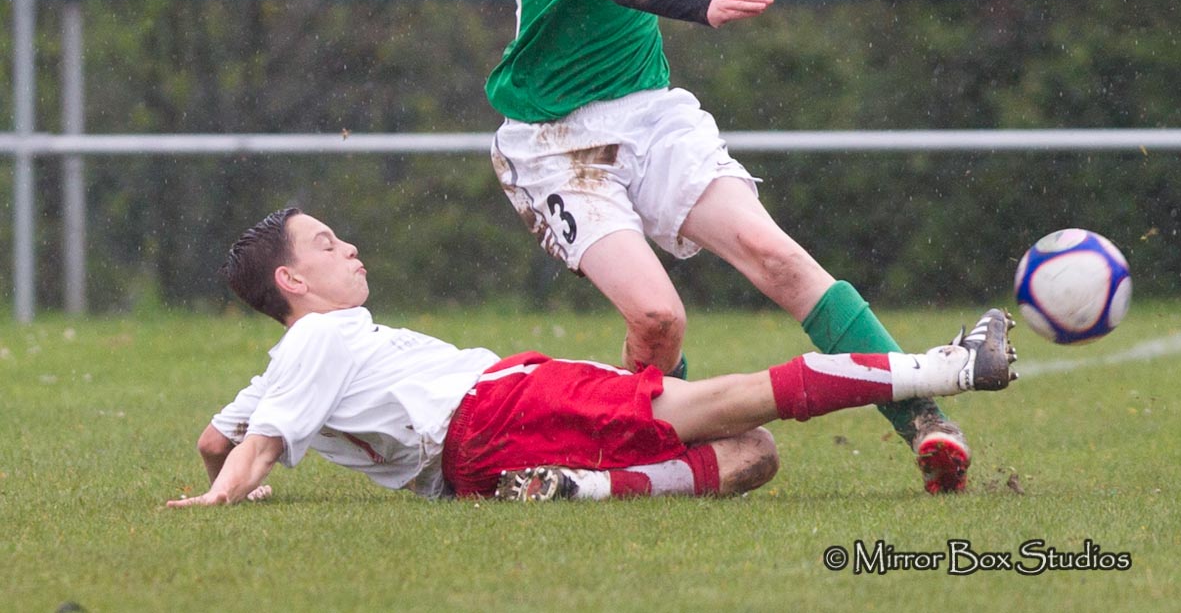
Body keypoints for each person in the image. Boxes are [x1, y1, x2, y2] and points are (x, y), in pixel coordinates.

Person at [483, 0, 991, 493]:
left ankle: (925, 421)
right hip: (556, 143)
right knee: (657, 321)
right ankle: (661, 457)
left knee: (776, 257)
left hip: (650, 113)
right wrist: (703, 5)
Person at [166, 208, 1016, 508]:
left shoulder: (285, 363)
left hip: (479, 462)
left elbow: (221, 438)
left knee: (752, 455)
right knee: (726, 401)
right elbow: (258, 445)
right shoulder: (319, 335)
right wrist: (225, 493)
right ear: (291, 281)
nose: (348, 246)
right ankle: (953, 368)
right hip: (498, 405)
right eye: (325, 243)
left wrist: (229, 481)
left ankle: (584, 489)